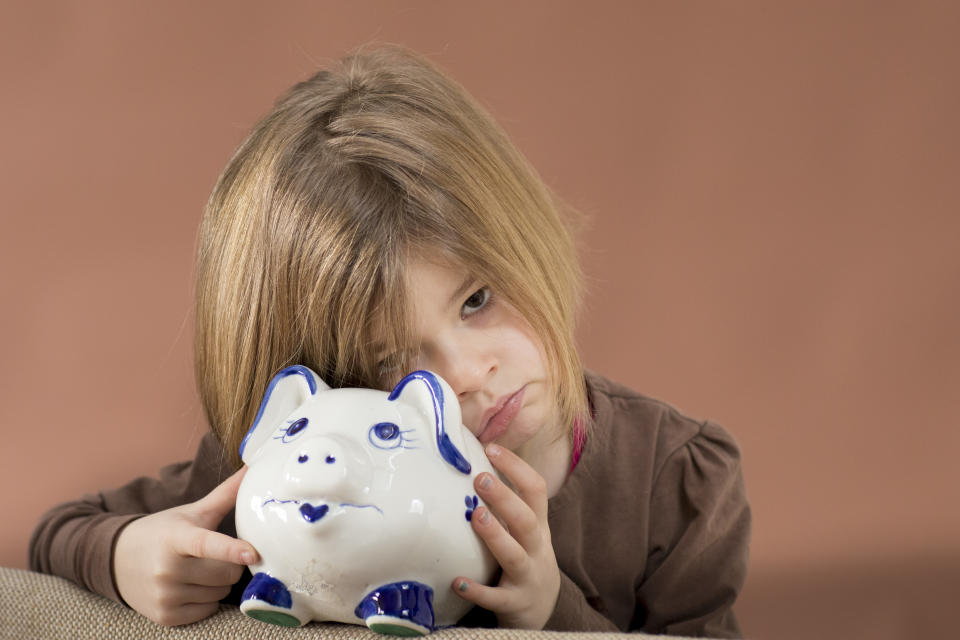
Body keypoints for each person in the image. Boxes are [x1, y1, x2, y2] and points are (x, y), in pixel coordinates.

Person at [29, 44, 750, 637]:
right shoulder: (283, 471)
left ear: (527, 238)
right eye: (387, 364)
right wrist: (128, 555)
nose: (469, 373)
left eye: (477, 298)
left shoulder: (674, 481)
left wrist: (548, 612)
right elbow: (63, 531)